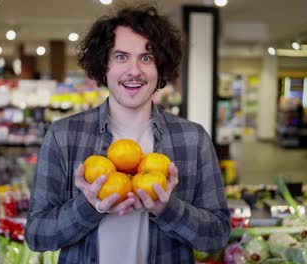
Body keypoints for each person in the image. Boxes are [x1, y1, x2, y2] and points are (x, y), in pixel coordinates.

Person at [25, 4, 231, 263]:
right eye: (121, 57)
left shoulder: (193, 139)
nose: (134, 70)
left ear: (160, 67)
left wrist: (168, 209)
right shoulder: (63, 135)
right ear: (104, 65)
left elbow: (217, 237)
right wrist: (87, 206)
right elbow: (36, 235)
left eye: (146, 58)